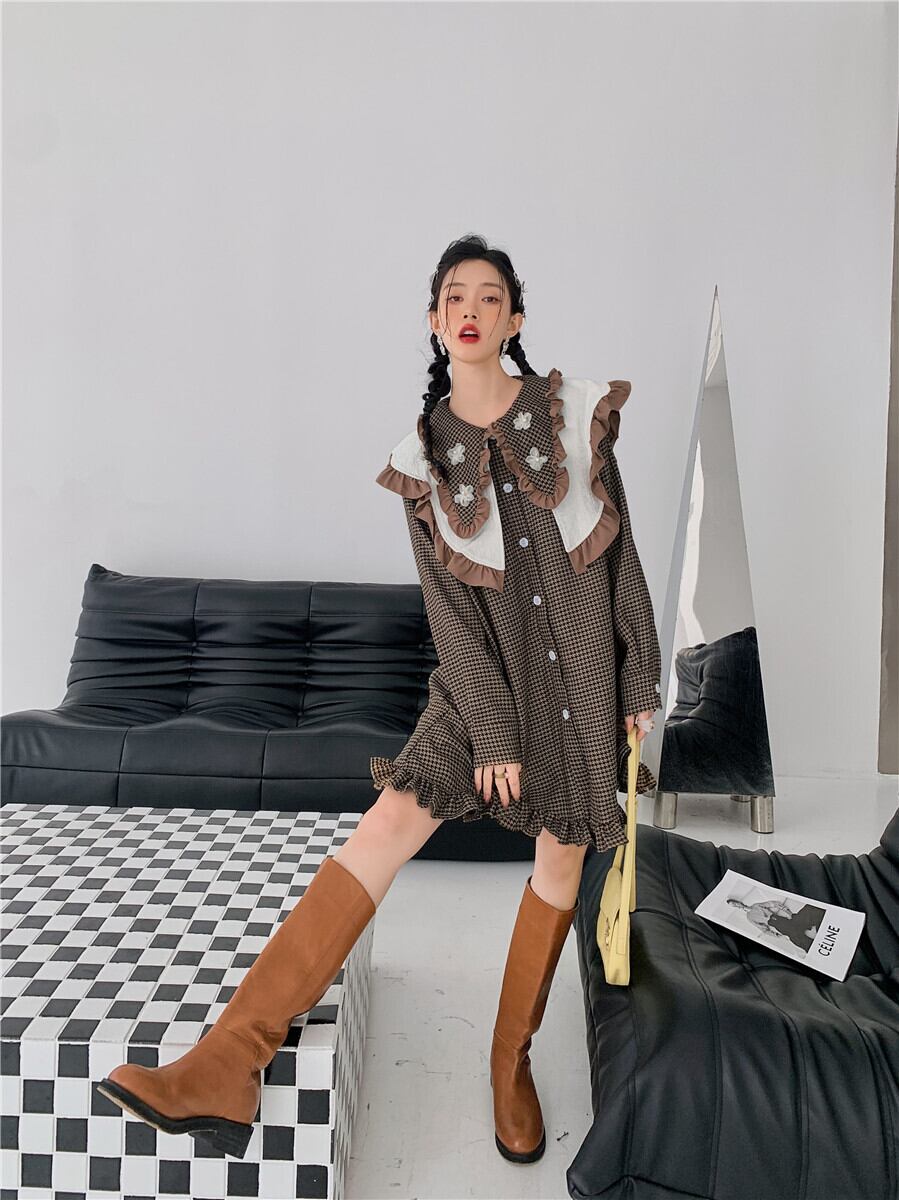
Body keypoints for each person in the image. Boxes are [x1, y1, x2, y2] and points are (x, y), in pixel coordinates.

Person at [96, 233, 663, 1167]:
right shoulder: (422, 459)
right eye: (454, 297)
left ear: (515, 319)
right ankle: (229, 1059)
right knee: (390, 821)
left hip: (582, 682)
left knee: (560, 857)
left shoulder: (572, 418)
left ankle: (507, 1064)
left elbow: (621, 550)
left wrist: (638, 675)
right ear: (434, 322)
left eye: (489, 296)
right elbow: (448, 608)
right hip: (482, 682)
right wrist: (491, 729)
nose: (471, 309)